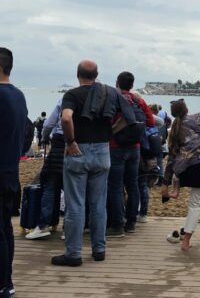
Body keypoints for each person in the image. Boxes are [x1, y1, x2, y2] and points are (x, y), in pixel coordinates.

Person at [52, 60, 115, 267]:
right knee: (98, 204)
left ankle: (73, 254)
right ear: (96, 75)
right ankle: (99, 249)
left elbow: (66, 118)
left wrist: (70, 142)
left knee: (76, 205)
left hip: (79, 151)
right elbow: (127, 117)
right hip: (102, 151)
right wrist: (109, 134)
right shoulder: (109, 93)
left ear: (78, 75)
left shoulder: (72, 95)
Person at [161, 99, 200, 250]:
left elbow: (171, 158)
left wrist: (164, 184)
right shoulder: (199, 117)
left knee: (178, 166)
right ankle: (186, 241)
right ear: (186, 109)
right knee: (195, 204)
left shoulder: (174, 130)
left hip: (185, 170)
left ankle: (176, 189)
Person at [107, 72, 155, 237]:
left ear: (117, 83)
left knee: (116, 186)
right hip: (135, 148)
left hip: (115, 147)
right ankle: (131, 223)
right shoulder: (138, 100)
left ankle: (117, 226)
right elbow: (151, 122)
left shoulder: (113, 99)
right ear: (132, 85)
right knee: (132, 185)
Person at [0, 47, 27, 298]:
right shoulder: (19, 96)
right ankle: (6, 281)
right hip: (11, 171)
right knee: (5, 227)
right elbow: (27, 135)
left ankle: (3, 284)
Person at [25, 99, 65, 240]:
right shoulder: (95, 100)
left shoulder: (66, 99)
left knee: (50, 186)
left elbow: (48, 124)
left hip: (60, 146)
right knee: (74, 192)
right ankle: (70, 228)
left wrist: (44, 137)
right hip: (81, 148)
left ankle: (43, 226)